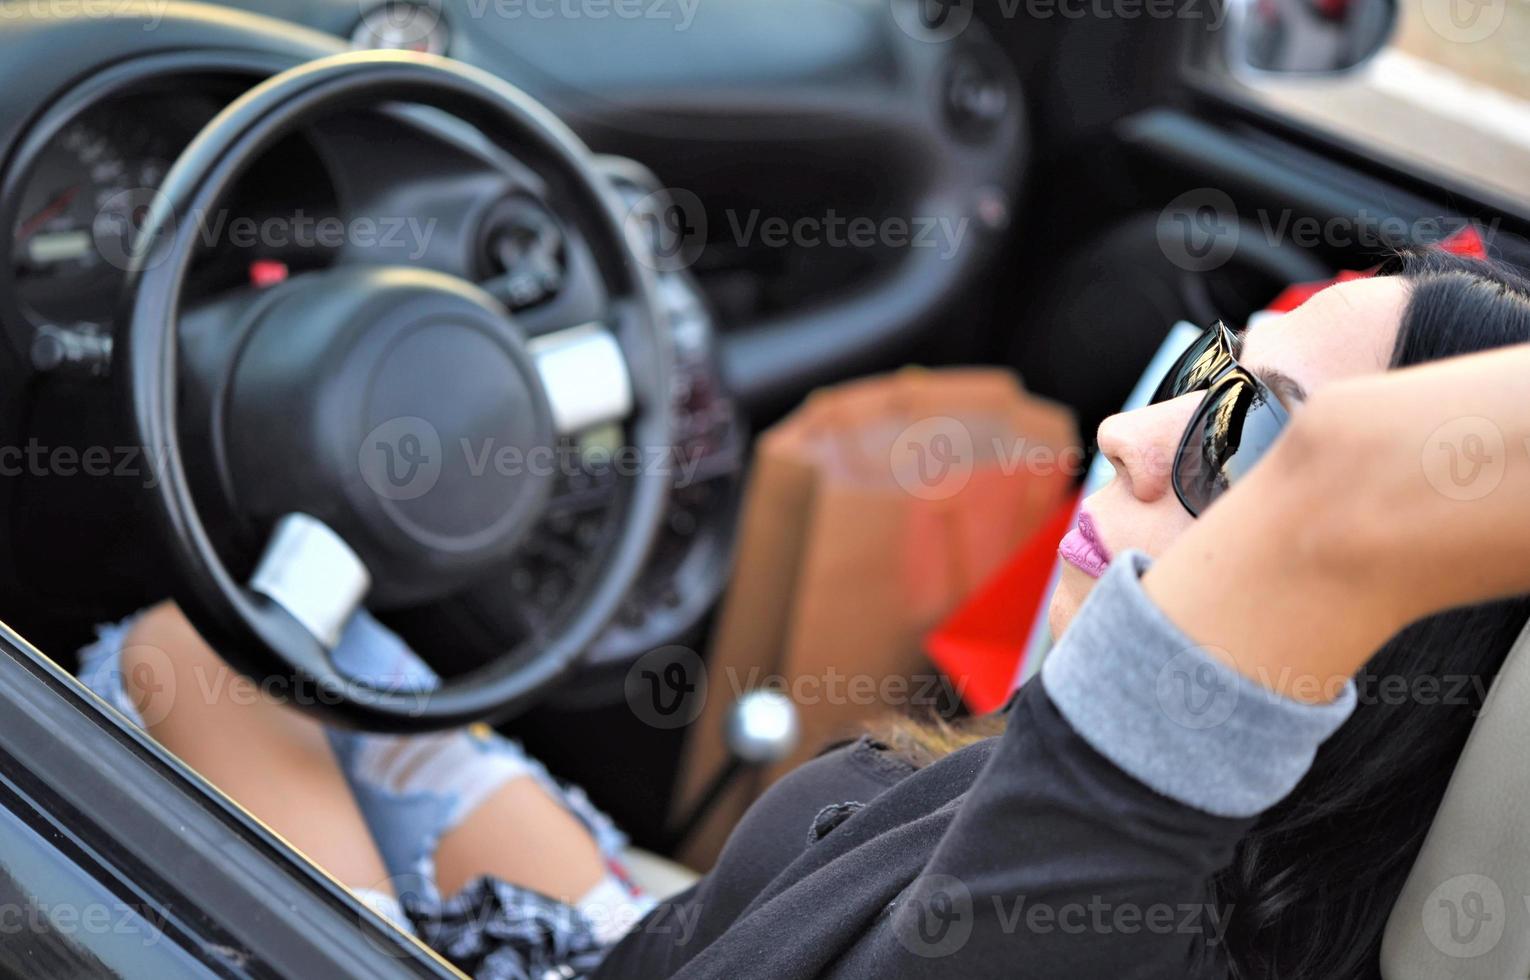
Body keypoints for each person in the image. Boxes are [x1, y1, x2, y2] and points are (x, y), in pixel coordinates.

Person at [78, 247, 1530, 979]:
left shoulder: (1087, 923)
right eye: (1198, 373)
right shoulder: (1086, 829)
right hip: (647, 928)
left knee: (177, 654)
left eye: (1250, 444)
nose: (1126, 436)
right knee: (229, 652)